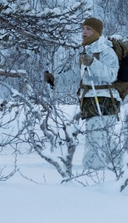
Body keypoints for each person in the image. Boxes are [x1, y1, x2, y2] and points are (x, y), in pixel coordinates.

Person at [44, 17, 121, 170]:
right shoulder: (86, 51)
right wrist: (55, 80)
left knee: (95, 138)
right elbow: (77, 75)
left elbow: (111, 75)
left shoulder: (106, 51)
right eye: (83, 28)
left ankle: (93, 173)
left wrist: (93, 63)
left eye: (89, 29)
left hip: (104, 99)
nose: (84, 32)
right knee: (103, 139)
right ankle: (125, 166)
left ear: (97, 32)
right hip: (89, 100)